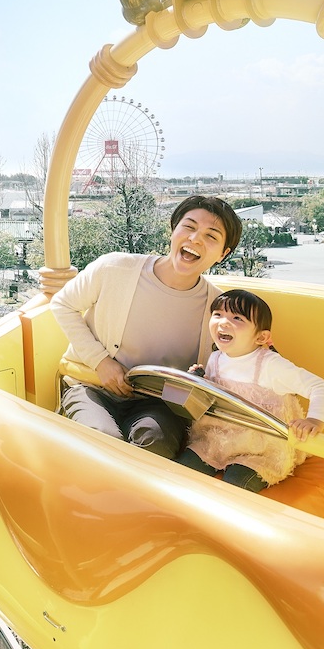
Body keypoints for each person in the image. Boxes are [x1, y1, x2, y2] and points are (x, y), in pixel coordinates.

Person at [53, 194, 241, 457]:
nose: (195, 239)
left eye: (211, 236)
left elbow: (240, 359)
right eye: (188, 227)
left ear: (223, 253)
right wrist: (101, 361)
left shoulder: (219, 308)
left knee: (156, 446)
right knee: (101, 441)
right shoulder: (114, 268)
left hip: (160, 406)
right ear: (173, 230)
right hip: (91, 385)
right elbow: (62, 304)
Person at [175, 288, 324, 492]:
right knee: (181, 471)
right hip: (217, 440)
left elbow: (320, 387)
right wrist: (201, 381)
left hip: (260, 448)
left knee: (236, 484)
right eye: (218, 315)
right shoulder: (215, 358)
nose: (223, 322)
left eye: (237, 318)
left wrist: (314, 420)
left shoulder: (270, 365)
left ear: (261, 337)